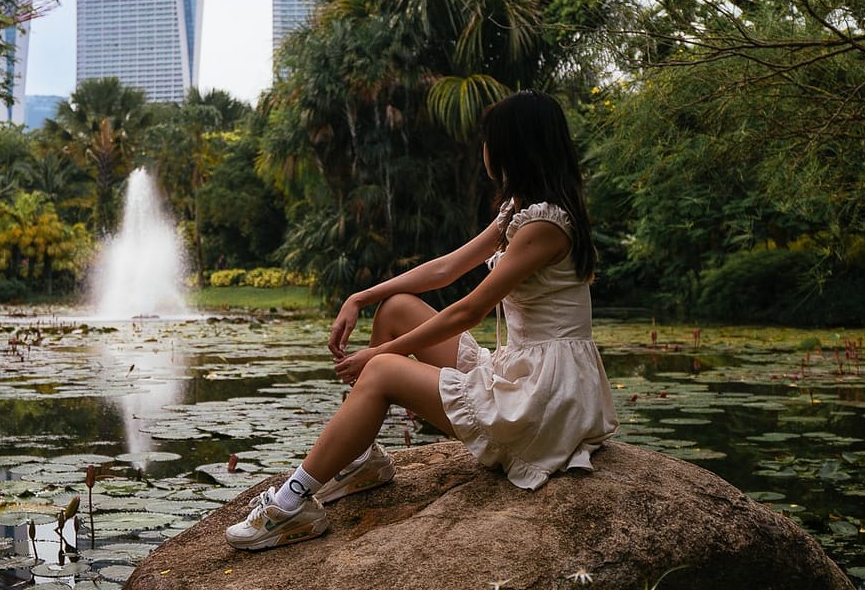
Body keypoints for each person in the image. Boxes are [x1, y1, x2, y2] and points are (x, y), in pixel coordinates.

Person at [226, 90, 618, 551]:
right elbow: (445, 269)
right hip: (524, 369)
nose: (483, 149)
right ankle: (362, 459)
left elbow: (468, 310)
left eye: (489, 139)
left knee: (381, 370)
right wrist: (362, 296)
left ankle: (291, 504)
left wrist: (380, 353)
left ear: (513, 147)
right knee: (396, 308)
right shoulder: (520, 212)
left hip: (545, 398)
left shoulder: (545, 226)